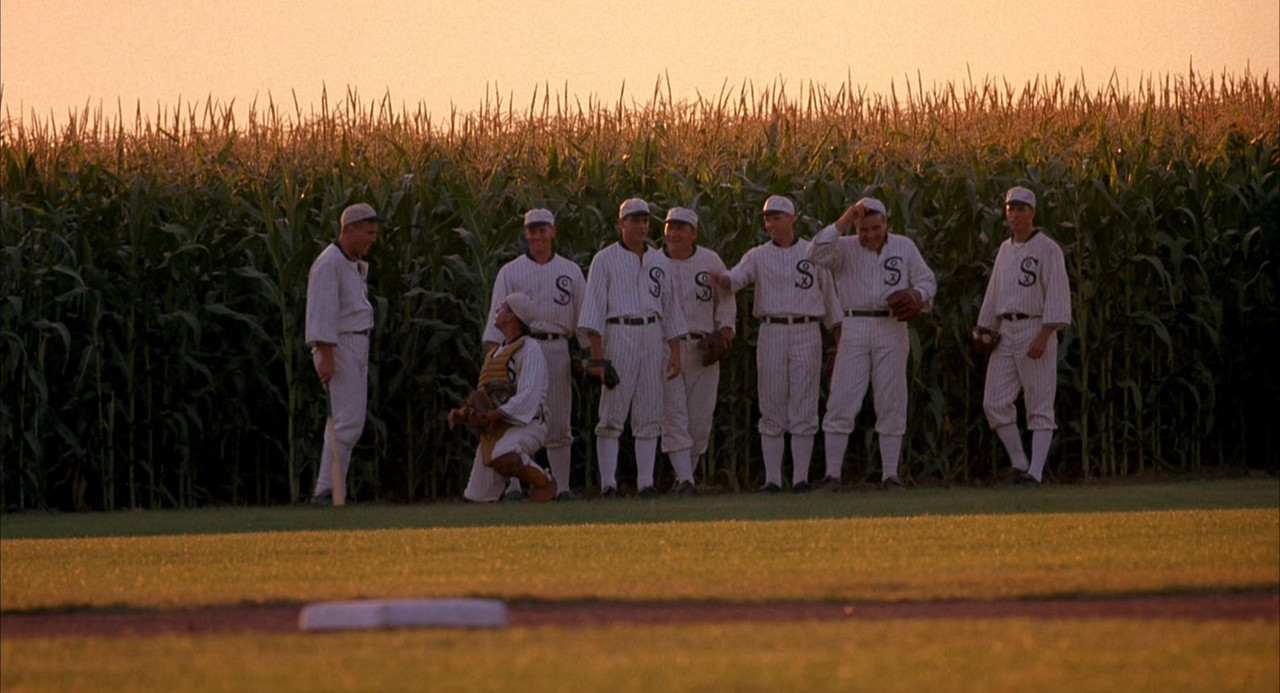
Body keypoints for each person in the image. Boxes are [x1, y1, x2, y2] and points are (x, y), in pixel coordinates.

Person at [712, 195, 840, 493]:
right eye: (767, 218)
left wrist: (838, 336)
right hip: (771, 331)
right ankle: (772, 479)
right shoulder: (757, 255)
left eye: (777, 217)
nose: (771, 222)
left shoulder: (813, 252)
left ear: (792, 218)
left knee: (804, 402)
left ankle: (800, 478)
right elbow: (738, 278)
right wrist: (723, 280)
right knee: (771, 402)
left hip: (806, 329)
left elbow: (830, 299)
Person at [809, 197, 937, 490]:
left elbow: (928, 281)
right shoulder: (843, 248)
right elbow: (813, 253)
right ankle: (833, 475)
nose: (869, 234)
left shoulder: (904, 247)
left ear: (886, 223)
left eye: (876, 228)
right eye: (863, 228)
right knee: (842, 398)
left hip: (891, 325)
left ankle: (890, 475)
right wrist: (843, 220)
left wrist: (917, 295)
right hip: (853, 324)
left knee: (891, 399)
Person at [579, 198, 689, 498]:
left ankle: (645, 483)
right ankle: (608, 484)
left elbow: (671, 308)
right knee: (612, 414)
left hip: (652, 334)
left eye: (644, 220)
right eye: (634, 220)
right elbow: (594, 309)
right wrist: (598, 358)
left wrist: (675, 352)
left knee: (649, 412)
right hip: (619, 332)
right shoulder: (605, 259)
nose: (641, 226)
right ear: (621, 223)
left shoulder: (659, 260)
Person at [482, 209, 587, 501]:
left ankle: (562, 487)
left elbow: (584, 318)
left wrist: (590, 355)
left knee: (558, 418)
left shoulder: (570, 270)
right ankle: (515, 487)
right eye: (532, 230)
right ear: (526, 233)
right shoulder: (511, 271)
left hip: (556, 346)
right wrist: (493, 362)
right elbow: (495, 320)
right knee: (513, 416)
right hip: (518, 348)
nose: (538, 236)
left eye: (543, 230)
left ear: (553, 232)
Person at [974, 186, 1072, 486]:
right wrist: (984, 327)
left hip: (1035, 325)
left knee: (1039, 403)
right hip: (1005, 330)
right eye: (1010, 209)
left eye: (1021, 209)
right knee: (994, 401)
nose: (1015, 214)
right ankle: (1020, 463)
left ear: (1033, 212)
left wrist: (1044, 335)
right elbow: (994, 291)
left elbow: (1056, 292)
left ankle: (1036, 472)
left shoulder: (1047, 248)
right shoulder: (1005, 248)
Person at [305, 202, 383, 506]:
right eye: (368, 232)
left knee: (348, 420)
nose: (373, 239)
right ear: (348, 230)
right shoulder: (329, 264)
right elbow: (322, 311)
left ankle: (333, 489)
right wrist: (325, 354)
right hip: (340, 345)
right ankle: (326, 489)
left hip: (354, 344)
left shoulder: (350, 263)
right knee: (347, 420)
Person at [659, 207, 736, 495]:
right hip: (665, 347)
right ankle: (685, 480)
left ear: (694, 232)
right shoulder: (654, 262)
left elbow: (726, 299)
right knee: (674, 415)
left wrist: (725, 331)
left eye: (681, 228)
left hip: (703, 346)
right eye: (670, 227)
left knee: (700, 419)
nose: (674, 233)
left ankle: (685, 478)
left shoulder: (709, 260)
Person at [451, 293, 557, 502]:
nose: (497, 311)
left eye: (503, 308)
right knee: (476, 498)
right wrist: (465, 413)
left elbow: (529, 396)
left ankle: (544, 482)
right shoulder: (495, 353)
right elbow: (484, 394)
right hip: (498, 427)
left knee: (503, 453)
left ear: (512, 317)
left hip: (529, 423)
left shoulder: (530, 350)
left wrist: (494, 415)